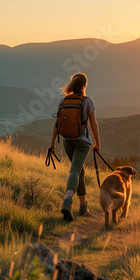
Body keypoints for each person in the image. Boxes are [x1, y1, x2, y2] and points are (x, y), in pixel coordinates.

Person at [47, 73, 100, 222]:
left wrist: (52, 144)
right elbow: (94, 125)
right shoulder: (88, 101)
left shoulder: (63, 101)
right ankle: (68, 201)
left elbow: (56, 124)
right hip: (82, 142)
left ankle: (83, 208)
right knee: (75, 170)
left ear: (72, 84)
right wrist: (97, 144)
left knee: (79, 172)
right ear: (85, 85)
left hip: (67, 141)